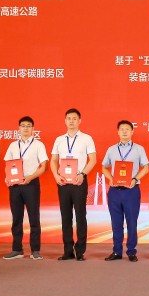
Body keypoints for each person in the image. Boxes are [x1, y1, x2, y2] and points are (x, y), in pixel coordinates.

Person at [50, 108, 97, 261]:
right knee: (66, 217)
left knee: (80, 216)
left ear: (79, 121)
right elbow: (53, 160)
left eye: (74, 118)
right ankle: (67, 251)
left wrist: (82, 174)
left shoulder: (86, 138)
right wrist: (56, 175)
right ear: (65, 121)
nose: (71, 121)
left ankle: (80, 251)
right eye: (69, 118)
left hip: (79, 182)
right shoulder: (59, 140)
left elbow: (93, 160)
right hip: (63, 182)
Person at [101, 120, 149, 262]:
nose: (124, 131)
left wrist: (135, 179)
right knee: (116, 222)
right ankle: (117, 251)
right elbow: (104, 167)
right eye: (122, 129)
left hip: (131, 191)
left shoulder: (139, 149)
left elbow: (146, 168)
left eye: (127, 129)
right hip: (115, 191)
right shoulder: (111, 149)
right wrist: (110, 178)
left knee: (132, 222)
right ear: (118, 132)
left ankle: (131, 251)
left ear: (132, 132)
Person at [2, 116, 48, 260]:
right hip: (15, 185)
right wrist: (7, 178)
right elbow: (7, 165)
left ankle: (35, 250)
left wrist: (30, 177)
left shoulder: (38, 145)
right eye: (23, 125)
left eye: (28, 126)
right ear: (19, 128)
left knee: (34, 217)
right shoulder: (13, 145)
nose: (25, 128)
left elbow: (44, 166)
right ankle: (17, 249)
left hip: (31, 184)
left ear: (33, 128)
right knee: (16, 218)